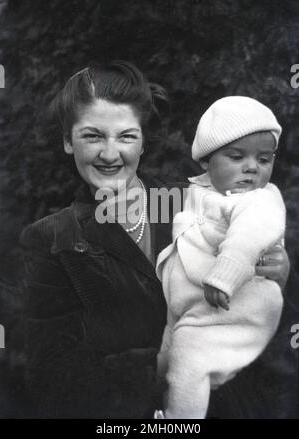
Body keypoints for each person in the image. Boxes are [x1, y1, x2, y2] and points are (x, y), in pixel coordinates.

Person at [20, 63, 290, 418]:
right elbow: (51, 376)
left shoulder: (197, 202)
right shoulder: (51, 240)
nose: (110, 153)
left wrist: (281, 279)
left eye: (126, 136)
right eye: (92, 136)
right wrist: (163, 365)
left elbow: (274, 330)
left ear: (143, 142)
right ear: (69, 141)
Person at [156, 96, 286, 419]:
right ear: (205, 161)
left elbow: (248, 238)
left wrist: (224, 276)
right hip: (191, 307)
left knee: (190, 360)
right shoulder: (196, 192)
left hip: (235, 302)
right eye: (237, 156)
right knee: (170, 363)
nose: (252, 167)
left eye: (264, 159)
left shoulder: (259, 200)